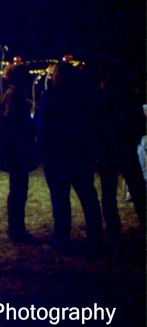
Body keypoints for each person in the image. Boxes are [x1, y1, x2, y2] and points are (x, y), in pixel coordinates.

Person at [36, 61, 103, 252]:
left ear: (59, 77)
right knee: (88, 196)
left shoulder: (51, 96)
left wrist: (42, 150)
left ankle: (62, 240)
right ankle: (95, 237)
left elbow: (44, 127)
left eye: (54, 74)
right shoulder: (85, 97)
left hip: (57, 156)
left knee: (60, 199)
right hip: (80, 154)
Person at [95, 60, 145, 240]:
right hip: (121, 148)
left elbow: (96, 125)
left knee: (111, 191)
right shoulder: (126, 96)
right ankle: (119, 226)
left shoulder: (104, 96)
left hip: (113, 149)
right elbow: (139, 122)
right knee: (134, 189)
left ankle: (114, 227)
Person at [0, 64, 39, 242]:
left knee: (17, 189)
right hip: (17, 150)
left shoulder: (11, 94)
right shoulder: (15, 96)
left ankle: (16, 228)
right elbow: (14, 123)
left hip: (14, 149)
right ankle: (16, 230)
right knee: (18, 190)